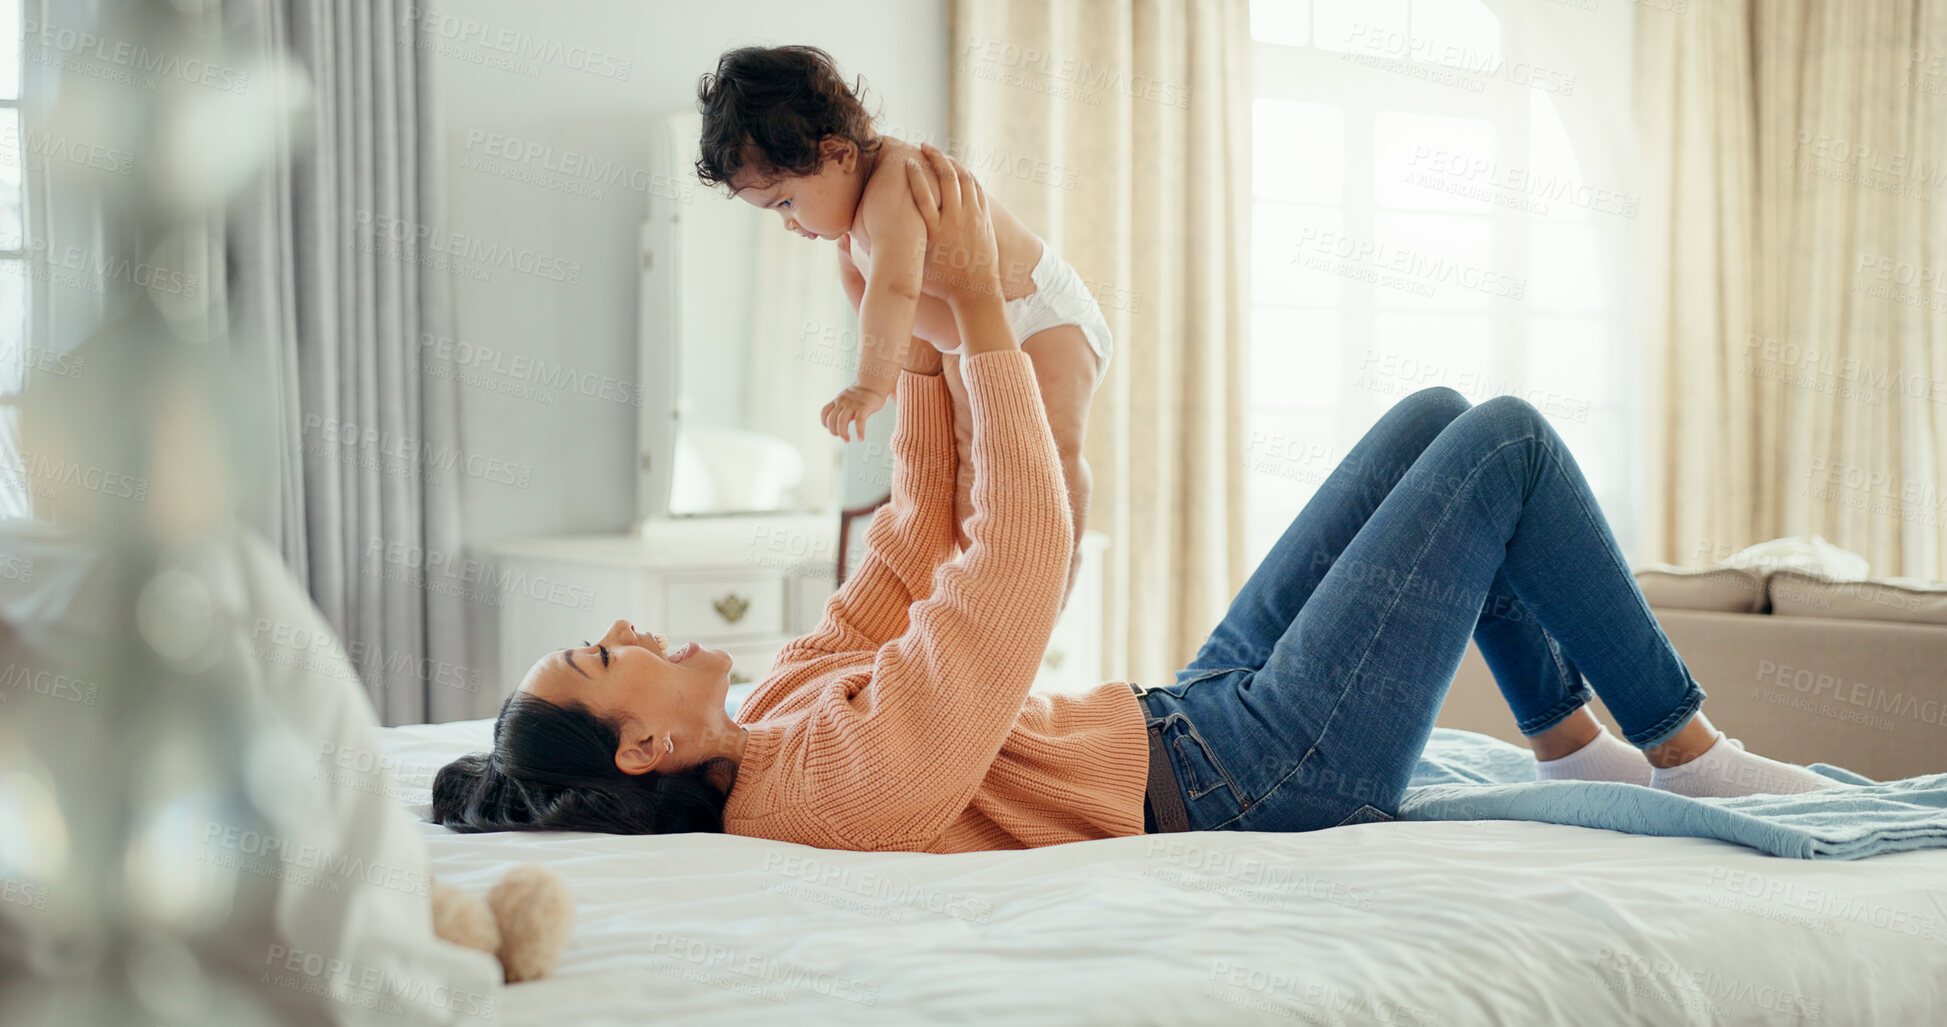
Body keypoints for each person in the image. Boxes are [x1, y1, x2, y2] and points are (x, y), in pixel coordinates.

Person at [432, 144, 1836, 850]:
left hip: (1190, 714)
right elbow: (1012, 569)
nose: (627, 623)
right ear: (642, 750)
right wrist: (981, 309)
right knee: (1509, 444)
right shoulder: (821, 785)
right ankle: (1681, 743)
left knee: (1436, 419)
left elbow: (920, 541)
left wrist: (897, 307)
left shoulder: (780, 704)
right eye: (608, 654)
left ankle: (1564, 739)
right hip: (1261, 780)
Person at [693, 44, 1110, 608]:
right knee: (974, 468)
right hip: (969, 336)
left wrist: (870, 385)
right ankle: (983, 587)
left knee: (1050, 453)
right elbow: (865, 295)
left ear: (838, 153)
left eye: (786, 202)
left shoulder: (896, 181)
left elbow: (895, 290)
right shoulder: (847, 227)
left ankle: (1062, 562)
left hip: (1041, 315)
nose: (789, 223)